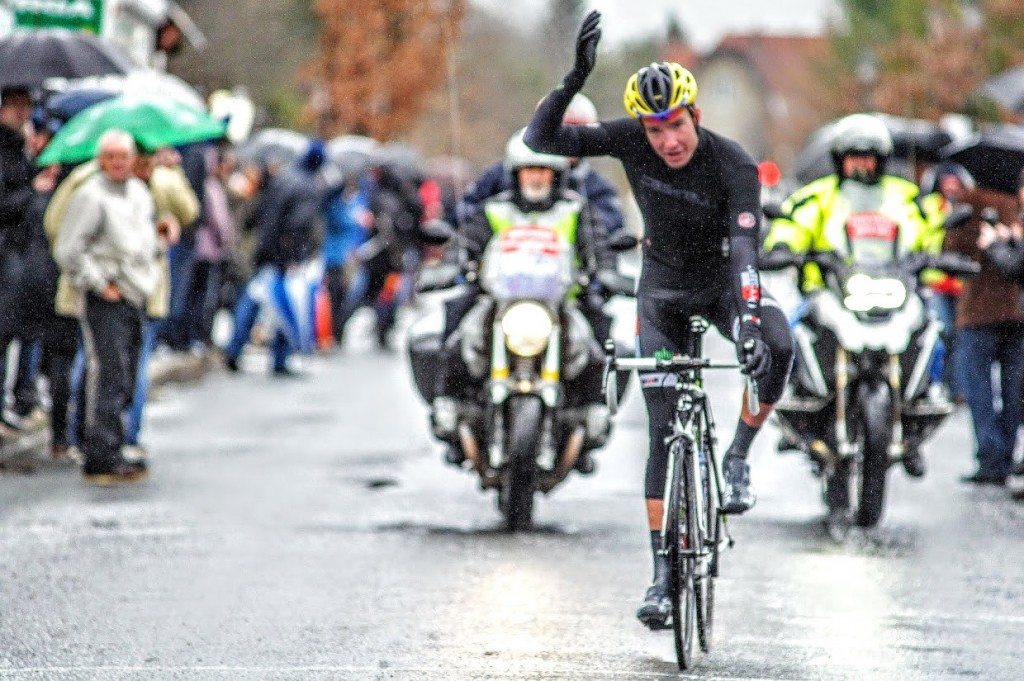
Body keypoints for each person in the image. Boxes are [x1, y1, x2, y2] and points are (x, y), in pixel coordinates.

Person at [523, 11, 793, 629]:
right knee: (662, 429)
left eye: (675, 125)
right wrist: (573, 79)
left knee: (779, 346)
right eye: (654, 129)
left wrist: (749, 324)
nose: (667, 141)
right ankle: (662, 575)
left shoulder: (734, 166)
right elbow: (541, 140)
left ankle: (740, 455)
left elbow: (748, 254)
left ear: (694, 115)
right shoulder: (628, 141)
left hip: (724, 286)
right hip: (662, 296)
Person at [430, 128, 616, 474]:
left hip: (561, 304)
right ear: (515, 174)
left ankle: (593, 414)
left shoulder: (576, 210)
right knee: (458, 334)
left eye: (543, 171)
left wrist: (606, 272)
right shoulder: (493, 210)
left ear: (557, 175)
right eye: (529, 170)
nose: (536, 177)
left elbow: (598, 247)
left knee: (597, 341)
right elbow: (466, 242)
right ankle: (448, 407)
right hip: (500, 301)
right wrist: (453, 264)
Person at [763, 113, 935, 477]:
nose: (861, 163)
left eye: (869, 156)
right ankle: (801, 405)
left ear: (882, 160)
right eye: (854, 155)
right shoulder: (820, 195)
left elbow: (926, 231)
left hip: (888, 287)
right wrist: (781, 245)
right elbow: (793, 222)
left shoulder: (904, 196)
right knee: (793, 329)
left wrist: (937, 253)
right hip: (831, 290)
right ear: (840, 158)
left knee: (929, 328)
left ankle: (915, 409)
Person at [53, 130, 165, 485]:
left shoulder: (138, 193)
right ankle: (100, 452)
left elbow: (142, 242)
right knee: (108, 370)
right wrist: (99, 282)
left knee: (128, 370)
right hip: (106, 294)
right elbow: (69, 248)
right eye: (111, 156)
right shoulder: (90, 194)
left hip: (137, 290)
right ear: (101, 160)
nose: (119, 163)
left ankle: (116, 444)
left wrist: (160, 241)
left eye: (124, 156)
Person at [223, 139, 329, 375]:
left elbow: (266, 214)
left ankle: (234, 348)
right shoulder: (309, 186)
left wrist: (265, 247)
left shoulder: (283, 177)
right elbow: (299, 224)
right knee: (284, 305)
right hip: (286, 255)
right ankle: (279, 357)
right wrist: (294, 255)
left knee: (253, 300)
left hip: (267, 248)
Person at [946, 172, 1024, 486]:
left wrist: (989, 242)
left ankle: (992, 455)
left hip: (978, 311)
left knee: (979, 388)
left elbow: (953, 248)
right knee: (1013, 391)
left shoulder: (969, 202)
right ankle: (1004, 454)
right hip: (1016, 315)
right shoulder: (1014, 208)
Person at [459, 93, 625, 239]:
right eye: (559, 131)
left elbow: (608, 228)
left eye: (578, 132)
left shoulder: (597, 188)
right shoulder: (502, 174)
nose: (568, 139)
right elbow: (467, 214)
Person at [918, 161, 974, 403]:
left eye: (955, 185)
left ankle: (957, 387)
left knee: (960, 339)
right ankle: (934, 381)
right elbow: (922, 237)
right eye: (946, 185)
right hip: (936, 284)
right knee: (941, 333)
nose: (950, 189)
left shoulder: (966, 207)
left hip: (959, 285)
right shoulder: (929, 207)